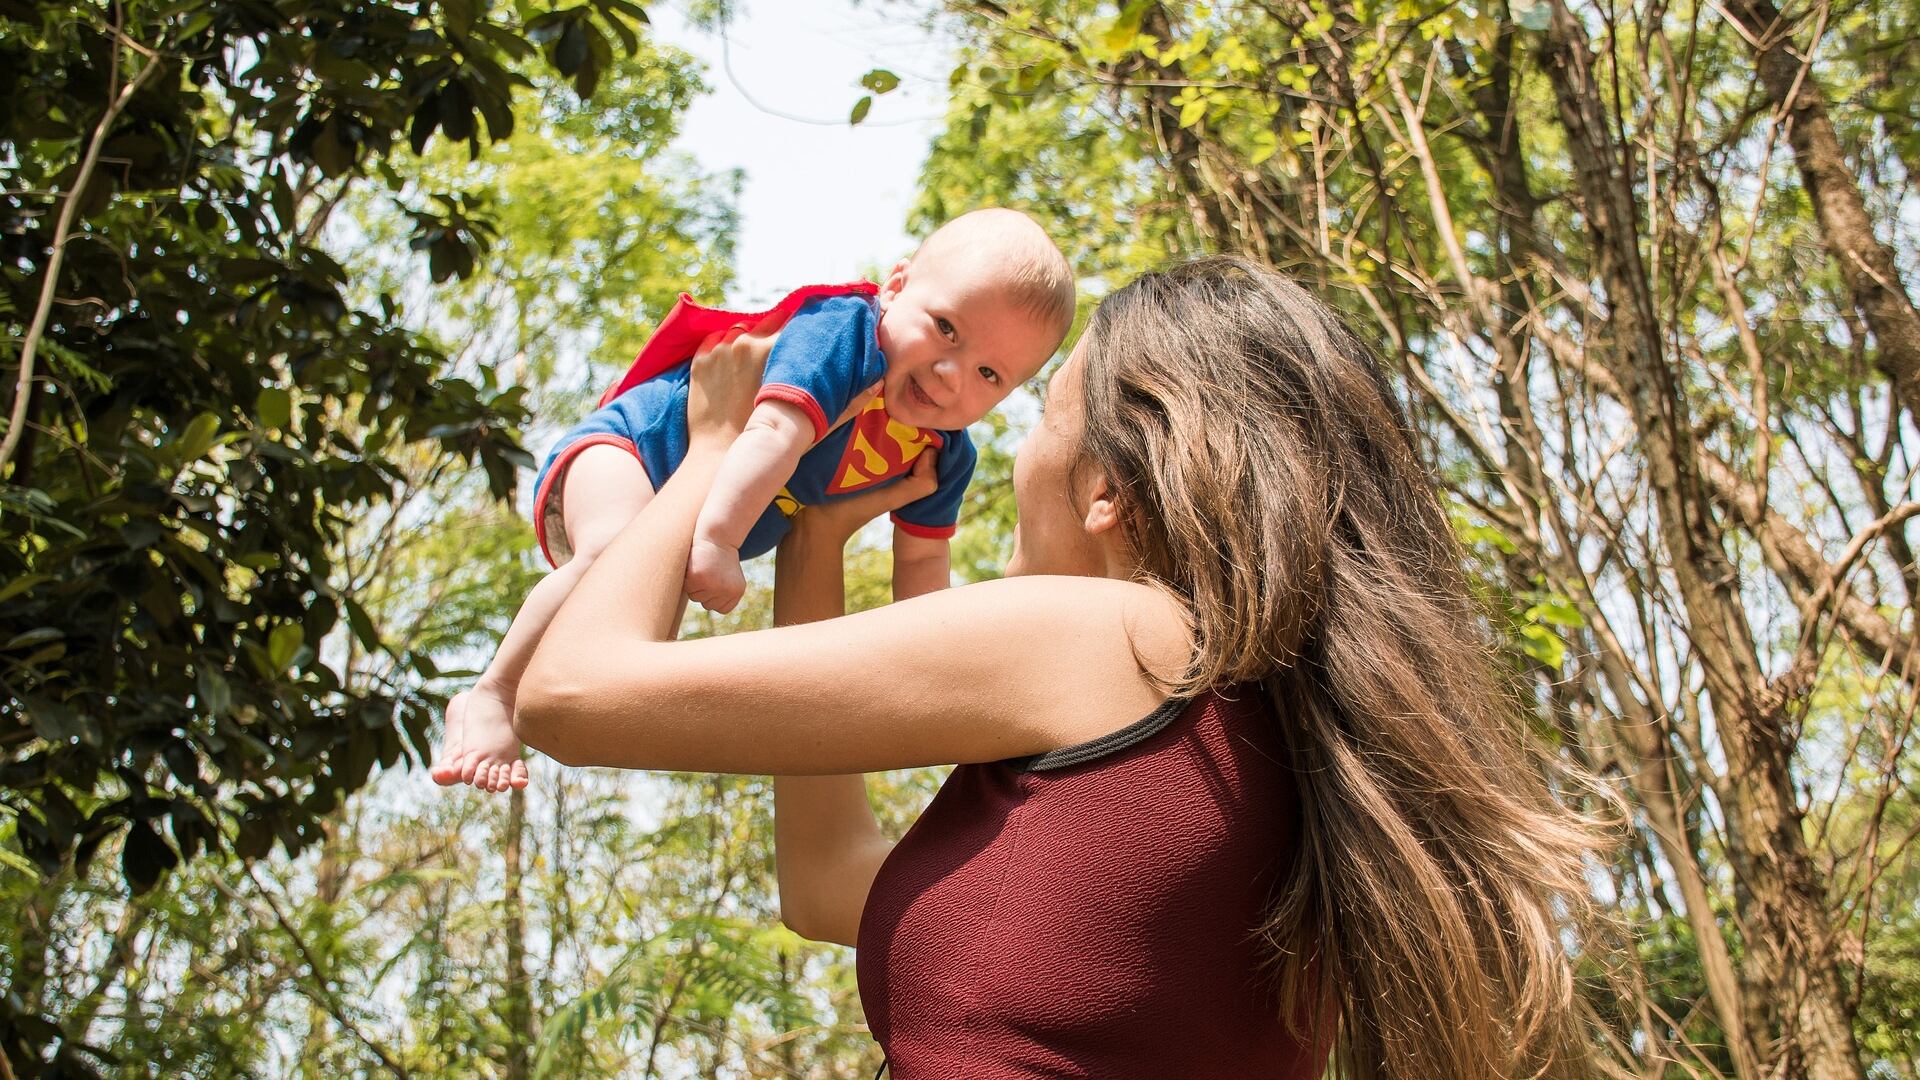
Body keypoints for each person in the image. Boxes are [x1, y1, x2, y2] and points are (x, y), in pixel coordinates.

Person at [511, 256, 1610, 1079]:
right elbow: (830, 884)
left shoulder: (1112, 637)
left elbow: (572, 695)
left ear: (1106, 492)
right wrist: (814, 541)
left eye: (1041, 414)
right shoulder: (1275, 746)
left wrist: (712, 448)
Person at [432, 208, 1074, 792]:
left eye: (990, 374)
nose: (951, 373)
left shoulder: (942, 455)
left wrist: (938, 676)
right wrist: (718, 540)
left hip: (688, 514)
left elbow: (923, 572)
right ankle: (492, 693)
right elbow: (771, 432)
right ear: (897, 286)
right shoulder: (844, 336)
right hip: (634, 449)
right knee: (610, 552)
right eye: (945, 329)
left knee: (635, 635)